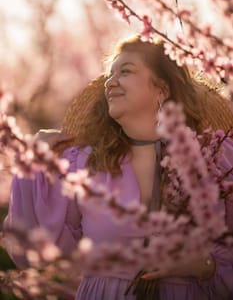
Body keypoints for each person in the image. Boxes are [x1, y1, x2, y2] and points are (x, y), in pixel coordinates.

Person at [5, 36, 233, 299]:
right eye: (109, 75)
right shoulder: (86, 164)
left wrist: (204, 264)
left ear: (162, 89)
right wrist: (33, 162)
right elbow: (30, 247)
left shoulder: (216, 161)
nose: (110, 82)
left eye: (125, 71)